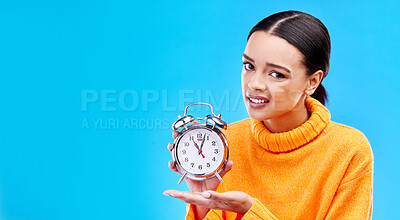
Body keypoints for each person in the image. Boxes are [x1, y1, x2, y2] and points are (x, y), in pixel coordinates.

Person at [164, 10, 374, 220]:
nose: (254, 83)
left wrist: (250, 212)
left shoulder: (349, 151)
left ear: (312, 82)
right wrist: (203, 203)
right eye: (249, 66)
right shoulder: (223, 144)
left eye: (276, 74)